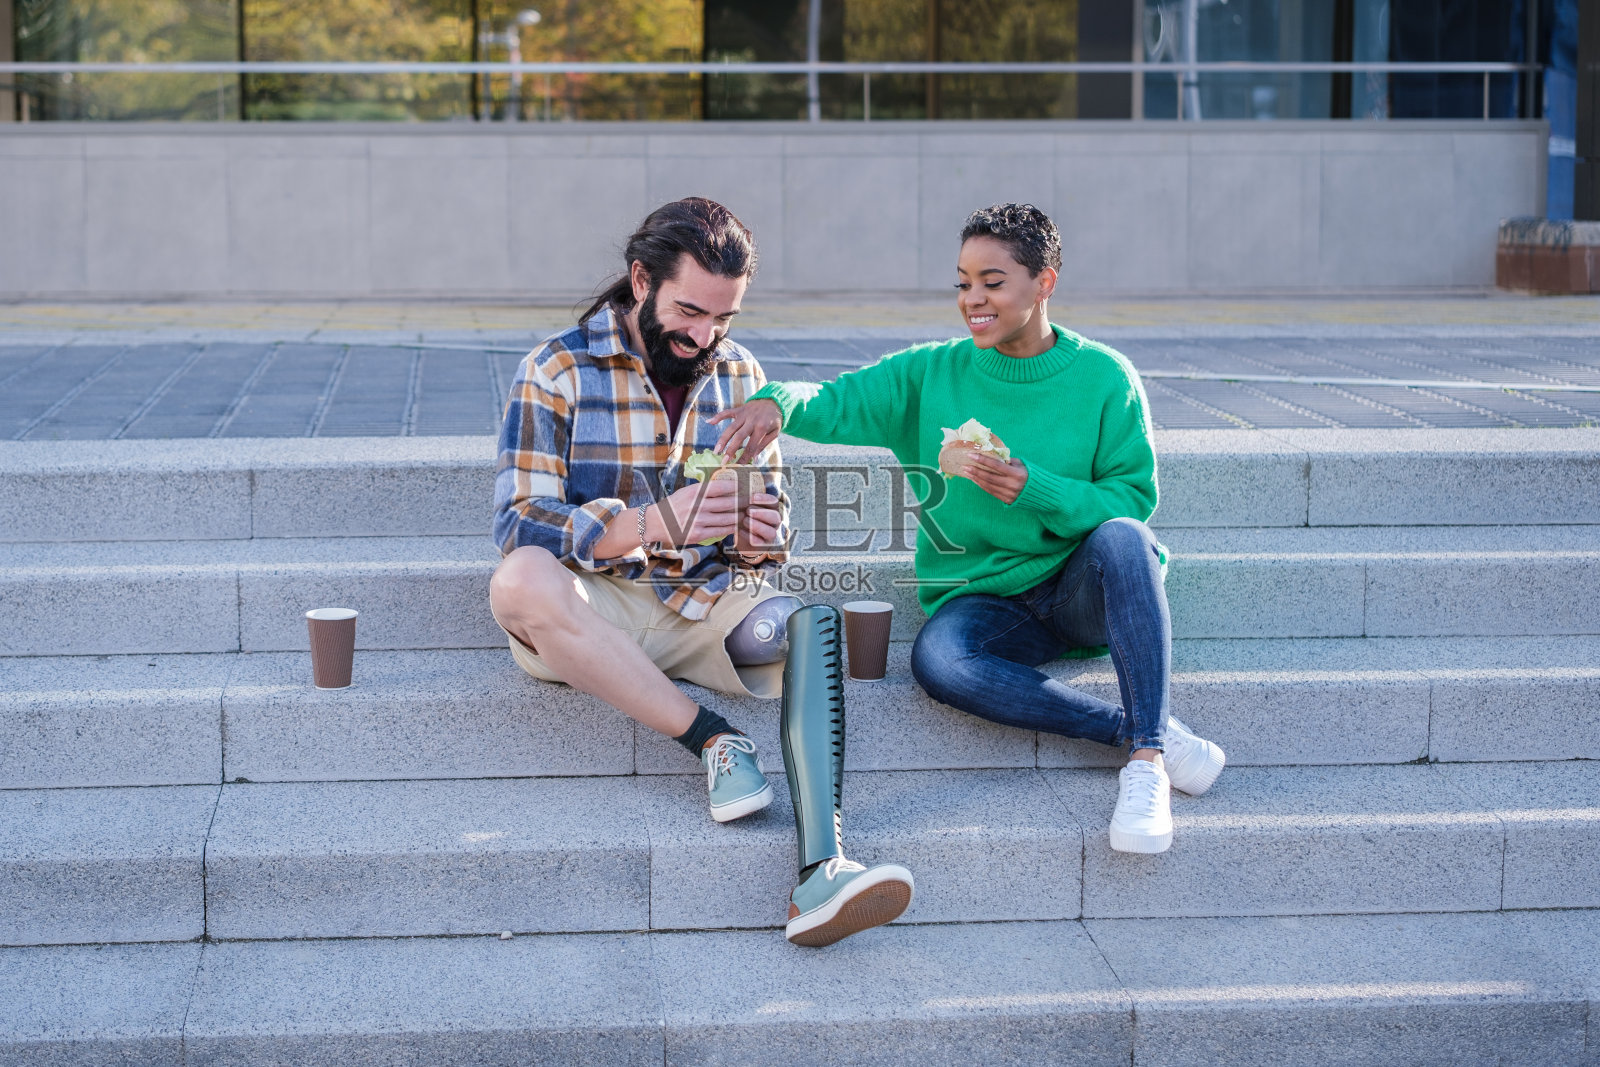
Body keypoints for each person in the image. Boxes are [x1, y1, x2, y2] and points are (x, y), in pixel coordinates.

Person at [711, 203, 1225, 855]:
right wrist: (774, 401)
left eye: (992, 281)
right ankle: (1139, 728)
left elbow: (1133, 497)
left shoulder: (1104, 377)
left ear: (1045, 283)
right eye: (962, 282)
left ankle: (1147, 763)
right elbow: (833, 401)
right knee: (939, 659)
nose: (972, 299)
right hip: (986, 604)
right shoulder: (933, 373)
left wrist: (1032, 487)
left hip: (1079, 587)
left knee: (1126, 538)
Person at [489, 197, 913, 944]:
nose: (703, 335)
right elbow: (520, 520)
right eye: (689, 311)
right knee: (519, 578)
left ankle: (824, 869)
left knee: (812, 621)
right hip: (595, 608)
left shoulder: (739, 373)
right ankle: (714, 738)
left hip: (708, 602)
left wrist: (760, 531)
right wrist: (656, 521)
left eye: (723, 318)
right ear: (641, 278)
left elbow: (768, 530)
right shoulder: (555, 369)